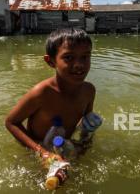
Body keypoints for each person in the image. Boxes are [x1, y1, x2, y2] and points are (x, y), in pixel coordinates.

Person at [5, 28, 95, 163]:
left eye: (85, 57)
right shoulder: (41, 93)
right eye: (69, 58)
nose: (79, 65)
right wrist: (42, 153)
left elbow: (87, 124)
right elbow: (11, 122)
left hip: (65, 146)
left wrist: (82, 146)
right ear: (51, 61)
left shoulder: (89, 91)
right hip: (39, 148)